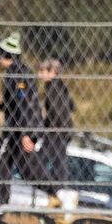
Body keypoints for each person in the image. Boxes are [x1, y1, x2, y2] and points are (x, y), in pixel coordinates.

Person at [0, 32, 56, 205]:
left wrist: (25, 134)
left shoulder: (17, 74)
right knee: (21, 169)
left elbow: (24, 105)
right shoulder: (18, 71)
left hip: (19, 129)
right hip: (20, 128)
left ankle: (57, 194)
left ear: (3, 55)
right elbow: (15, 104)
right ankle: (56, 194)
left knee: (7, 167)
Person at [37, 59, 74, 193]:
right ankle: (58, 190)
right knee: (59, 164)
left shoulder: (52, 87)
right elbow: (71, 106)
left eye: (42, 71)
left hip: (55, 131)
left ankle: (54, 191)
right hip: (63, 131)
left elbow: (55, 111)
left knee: (38, 162)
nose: (39, 74)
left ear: (52, 72)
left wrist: (45, 125)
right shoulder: (61, 86)